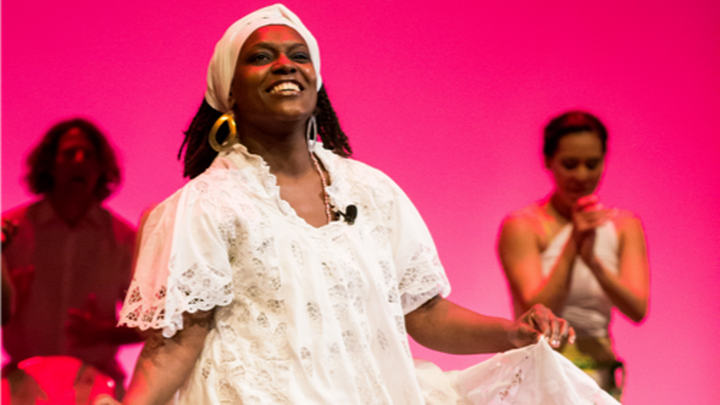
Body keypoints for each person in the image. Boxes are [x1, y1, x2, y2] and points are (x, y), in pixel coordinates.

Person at [116, 5, 619, 405]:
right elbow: (174, 345)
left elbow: (423, 313)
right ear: (229, 91)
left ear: (316, 80)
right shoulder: (206, 204)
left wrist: (510, 332)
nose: (285, 64)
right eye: (261, 57)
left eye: (298, 55)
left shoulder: (371, 191)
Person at [497, 111, 650, 399]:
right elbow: (537, 309)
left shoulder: (624, 225)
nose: (581, 175)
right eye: (570, 164)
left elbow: (637, 309)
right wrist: (573, 244)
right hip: (542, 373)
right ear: (548, 161)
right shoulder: (524, 225)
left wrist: (593, 261)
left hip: (600, 375)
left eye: (592, 164)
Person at [0, 118, 140, 398]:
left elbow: (153, 324)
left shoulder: (123, 239)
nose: (79, 160)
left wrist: (104, 332)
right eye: (69, 153)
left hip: (96, 385)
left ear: (101, 169)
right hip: (24, 386)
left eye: (89, 155)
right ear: (50, 165)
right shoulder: (10, 232)